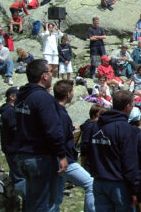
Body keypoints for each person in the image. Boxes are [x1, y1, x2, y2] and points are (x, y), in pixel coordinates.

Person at [13, 59, 67, 211]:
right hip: (40, 157)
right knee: (47, 203)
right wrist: (62, 155)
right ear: (44, 76)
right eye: (50, 72)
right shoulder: (43, 98)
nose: (52, 75)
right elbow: (53, 130)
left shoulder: (22, 96)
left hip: (23, 155)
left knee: (32, 201)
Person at [86, 90, 139, 211]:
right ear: (127, 107)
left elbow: (88, 150)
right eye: (133, 105)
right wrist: (135, 189)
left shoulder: (96, 126)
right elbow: (129, 162)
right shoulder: (125, 128)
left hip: (99, 181)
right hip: (119, 184)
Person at [53, 80, 95, 212]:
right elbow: (57, 136)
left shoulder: (53, 110)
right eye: (72, 91)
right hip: (64, 159)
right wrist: (62, 156)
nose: (73, 94)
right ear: (68, 94)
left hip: (57, 158)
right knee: (90, 183)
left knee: (56, 192)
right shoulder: (60, 113)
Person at [0, 87, 25, 196]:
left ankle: (13, 199)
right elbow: (14, 129)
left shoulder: (8, 110)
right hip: (13, 149)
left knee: (15, 174)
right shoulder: (9, 111)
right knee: (21, 177)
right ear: (12, 97)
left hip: (11, 148)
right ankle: (24, 202)